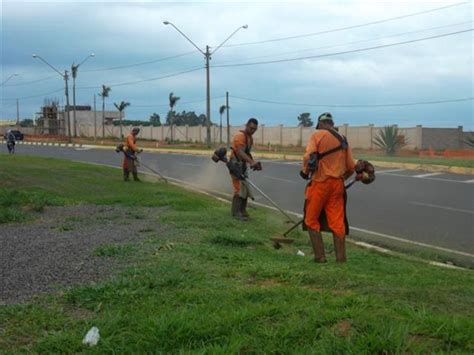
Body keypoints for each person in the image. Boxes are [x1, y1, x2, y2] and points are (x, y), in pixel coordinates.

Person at [300, 112, 355, 263]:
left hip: (320, 183)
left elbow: (309, 157)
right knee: (337, 222)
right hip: (337, 184)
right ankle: (341, 259)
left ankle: (320, 257)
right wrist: (341, 178)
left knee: (311, 219)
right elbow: (351, 166)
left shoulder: (317, 136)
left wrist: (305, 172)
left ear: (321, 124)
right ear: (331, 123)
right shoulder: (343, 139)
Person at [228, 118, 262, 220]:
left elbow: (246, 153)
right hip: (235, 165)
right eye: (251, 128)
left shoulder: (250, 138)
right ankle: (236, 212)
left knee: (245, 188)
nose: (253, 131)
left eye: (255, 129)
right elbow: (240, 152)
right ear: (246, 125)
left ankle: (243, 210)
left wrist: (254, 163)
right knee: (239, 188)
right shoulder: (240, 136)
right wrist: (251, 162)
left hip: (242, 165)